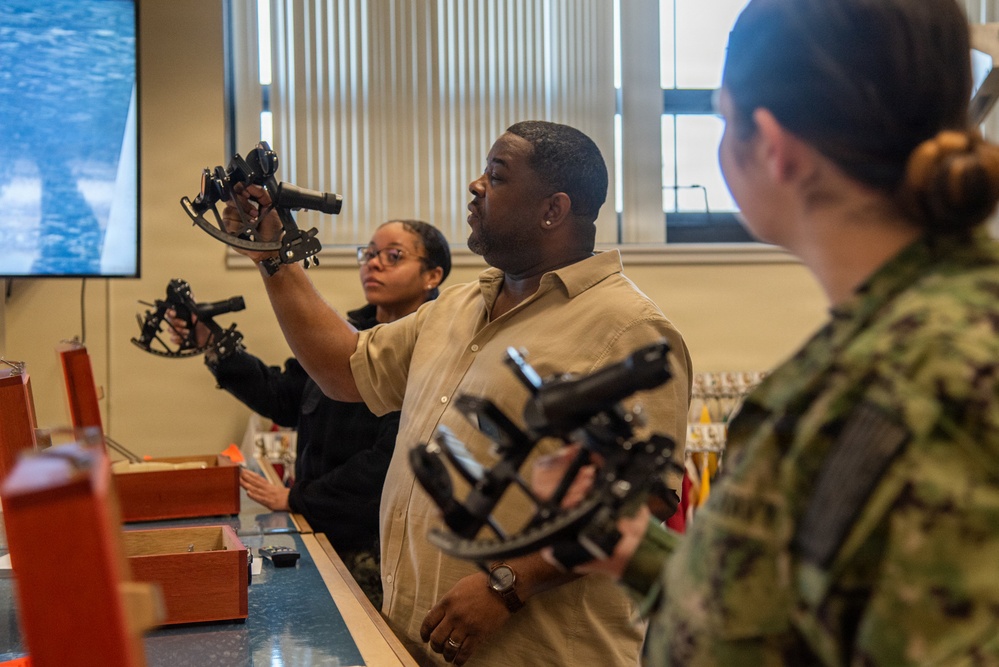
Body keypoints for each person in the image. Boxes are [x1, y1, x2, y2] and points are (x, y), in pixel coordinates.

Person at [533, 0, 999, 664]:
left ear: (773, 147)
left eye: (722, 119)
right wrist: (630, 544)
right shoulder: (896, 344)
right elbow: (801, 613)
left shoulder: (909, 383)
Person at [223, 121, 692, 666]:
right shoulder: (456, 307)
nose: (474, 185)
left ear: (553, 209)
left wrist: (509, 583)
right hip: (414, 641)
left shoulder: (628, 328)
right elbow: (343, 369)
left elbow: (648, 498)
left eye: (495, 175)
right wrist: (272, 254)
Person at [174, 219, 451, 608]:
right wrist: (214, 344)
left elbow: (387, 465)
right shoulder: (346, 336)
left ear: (432, 275)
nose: (373, 264)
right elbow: (283, 399)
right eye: (368, 254)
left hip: (377, 551)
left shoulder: (435, 350)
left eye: (393, 256)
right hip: (318, 531)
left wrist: (296, 498)